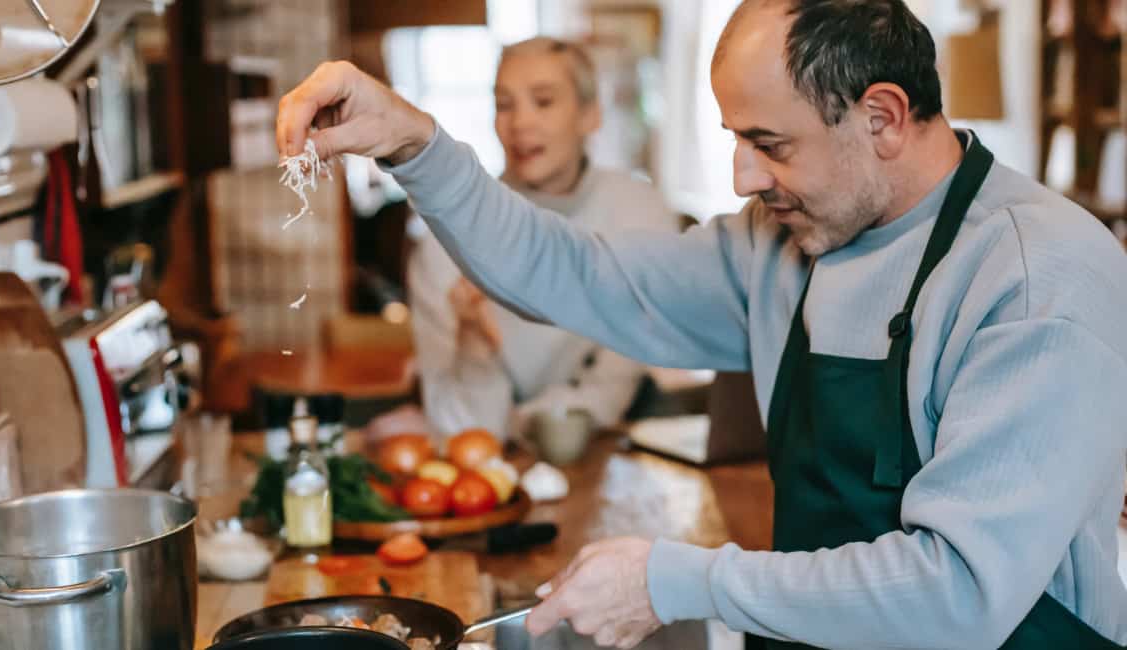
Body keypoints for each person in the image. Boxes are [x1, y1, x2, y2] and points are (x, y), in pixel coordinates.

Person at [276, 1, 1127, 648]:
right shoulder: (779, 248)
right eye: (733, 138)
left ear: (882, 118)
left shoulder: (1035, 277)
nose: (741, 177)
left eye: (770, 144)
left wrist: (684, 579)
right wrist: (415, 146)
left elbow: (962, 592)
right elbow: (578, 275)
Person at [404, 37, 676, 443]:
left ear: (590, 114)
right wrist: (476, 353)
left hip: (597, 456)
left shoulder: (642, 215)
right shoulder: (444, 244)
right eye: (505, 104)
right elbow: (461, 432)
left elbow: (610, 390)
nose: (520, 124)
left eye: (543, 101)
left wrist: (521, 423)